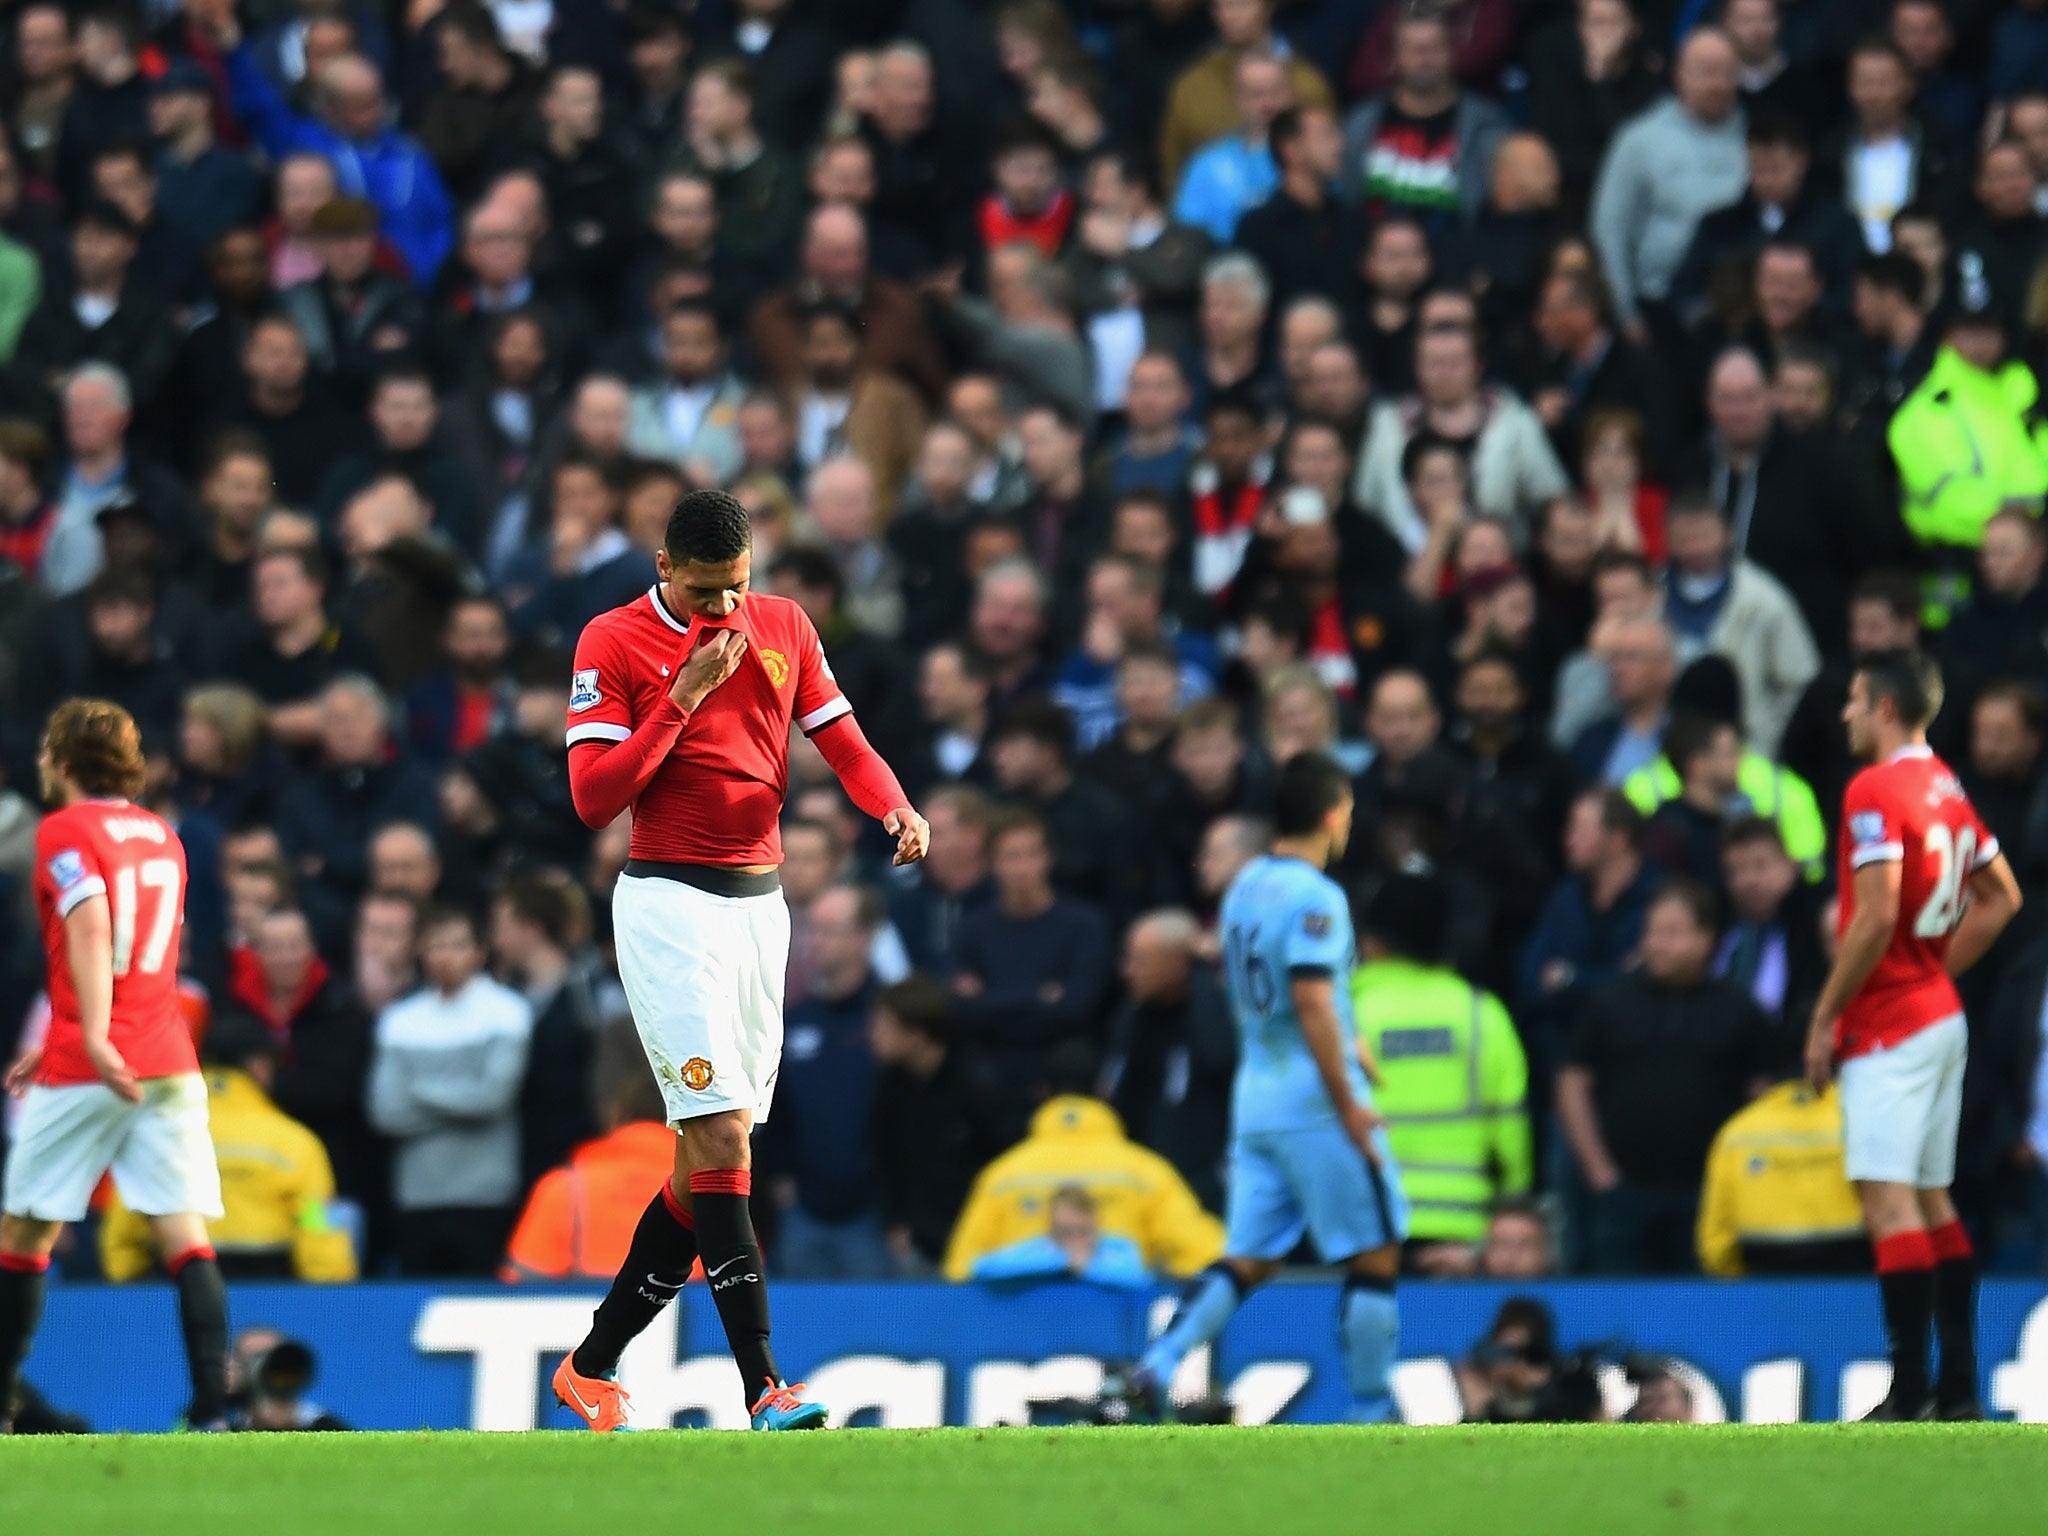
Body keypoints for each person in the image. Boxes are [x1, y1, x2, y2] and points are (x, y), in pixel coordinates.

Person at [551, 489, 929, 1433]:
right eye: (708, 590)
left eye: (738, 588)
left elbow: (841, 738)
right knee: (720, 1139)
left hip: (761, 910)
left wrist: (893, 805)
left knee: (708, 1162)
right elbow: (594, 799)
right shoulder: (612, 641)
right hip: (668, 903)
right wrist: (677, 703)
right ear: (666, 567)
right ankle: (765, 1385)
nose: (725, 609)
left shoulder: (785, 624)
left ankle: (592, 1366)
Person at [1105, 753, 1407, 1425]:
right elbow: (1311, 997)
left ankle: (1155, 1367)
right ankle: (1371, 1408)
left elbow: (1274, 990)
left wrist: (1349, 1035)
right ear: (1333, 815)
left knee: (1249, 1255)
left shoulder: (1243, 888)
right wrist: (1351, 1100)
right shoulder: (1316, 896)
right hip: (1314, 1098)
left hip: (1258, 1095)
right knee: (1377, 1248)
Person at [1802, 649, 2023, 1419]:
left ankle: (1908, 1391)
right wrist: (1937, 968)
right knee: (1932, 1199)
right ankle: (1958, 1389)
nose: (1846, 714)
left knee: (1889, 1205)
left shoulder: (1875, 787)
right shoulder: (1946, 786)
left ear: (1886, 708)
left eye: (1855, 700)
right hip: (1938, 1015)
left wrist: (1826, 1015)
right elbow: (2001, 897)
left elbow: (1876, 913)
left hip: (1890, 1026)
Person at [0, 700, 228, 1432]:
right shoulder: (163, 834)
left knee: (23, 1236)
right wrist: (74, 1023)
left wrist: (89, 1034)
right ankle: (216, 1410)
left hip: (97, 1059)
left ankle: (0, 1401)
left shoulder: (64, 829)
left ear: (63, 761)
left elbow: (93, 926)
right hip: (166, 1055)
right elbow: (145, 950)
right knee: (184, 1235)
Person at [1559, 879, 1776, 1274]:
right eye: (1652, 932)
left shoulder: (1738, 1009)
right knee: (1620, 1318)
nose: (1657, 944)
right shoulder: (1610, 1003)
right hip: (1622, 1194)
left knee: (1703, 1313)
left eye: (1673, 933)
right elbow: (1572, 1084)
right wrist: (1599, 1171)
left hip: (1709, 1196)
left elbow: (1763, 1097)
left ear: (1707, 938)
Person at [99, 1010, 357, 1283]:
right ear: (259, 1065)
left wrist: (130, 1285)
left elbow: (123, 1229)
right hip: (269, 1291)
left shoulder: (159, 1135)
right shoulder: (294, 1142)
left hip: (178, 1287)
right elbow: (316, 1221)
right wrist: (327, 1284)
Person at [1353, 867, 1530, 1261]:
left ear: (1373, 942)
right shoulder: (1481, 1013)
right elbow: (1510, 1122)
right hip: (1462, 1228)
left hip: (1369, 1224)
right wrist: (1515, 1194)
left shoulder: (1348, 1017)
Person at [366, 906, 532, 1277]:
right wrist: (462, 1096)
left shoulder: (506, 1012)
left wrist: (418, 1091)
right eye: (436, 945)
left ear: (479, 951)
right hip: (417, 1196)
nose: (445, 956)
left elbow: (492, 1099)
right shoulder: (400, 1020)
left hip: (485, 1193)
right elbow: (385, 1111)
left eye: (457, 945)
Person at [943, 1091, 1222, 1280]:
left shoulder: (1002, 1175)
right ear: (1103, 1093)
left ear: (1041, 1092)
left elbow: (960, 1269)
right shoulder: (1146, 1170)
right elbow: (1204, 1252)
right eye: (1065, 1231)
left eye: (1081, 1230)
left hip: (1018, 1336)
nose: (1073, 1240)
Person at [1696, 1080, 1865, 1277]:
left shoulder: (1737, 1130)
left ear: (1760, 1084)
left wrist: (1733, 1282)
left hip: (1764, 1282)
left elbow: (1716, 1238)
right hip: (1857, 1280)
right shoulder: (1860, 1120)